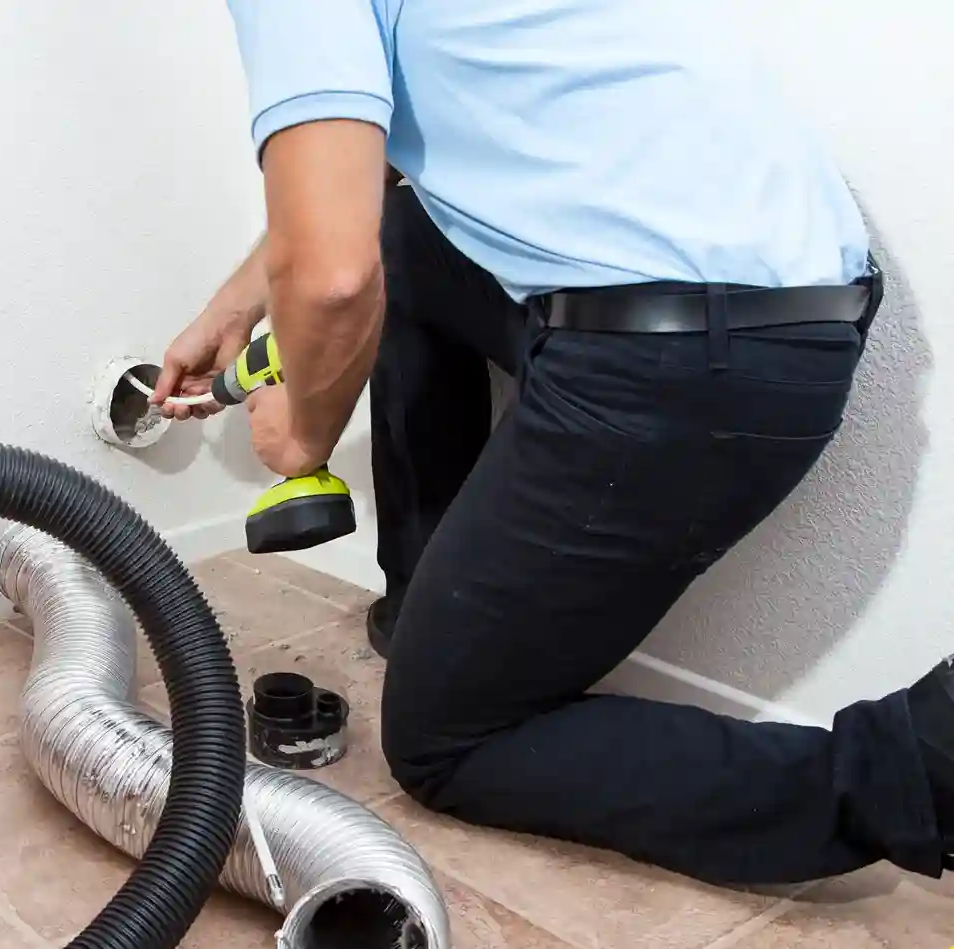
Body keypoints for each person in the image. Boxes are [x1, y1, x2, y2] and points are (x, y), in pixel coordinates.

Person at [151, 0, 953, 886]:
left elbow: (335, 281)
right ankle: (432, 614)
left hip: (693, 364)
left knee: (442, 746)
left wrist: (302, 433)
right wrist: (238, 307)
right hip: (767, 313)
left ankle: (916, 764)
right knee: (412, 238)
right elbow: (357, 191)